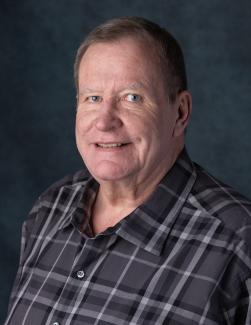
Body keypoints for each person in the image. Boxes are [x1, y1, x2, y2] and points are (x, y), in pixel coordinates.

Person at [5, 16, 251, 325]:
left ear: (180, 112)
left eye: (132, 98)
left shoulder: (239, 243)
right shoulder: (49, 211)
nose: (105, 121)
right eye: (93, 98)